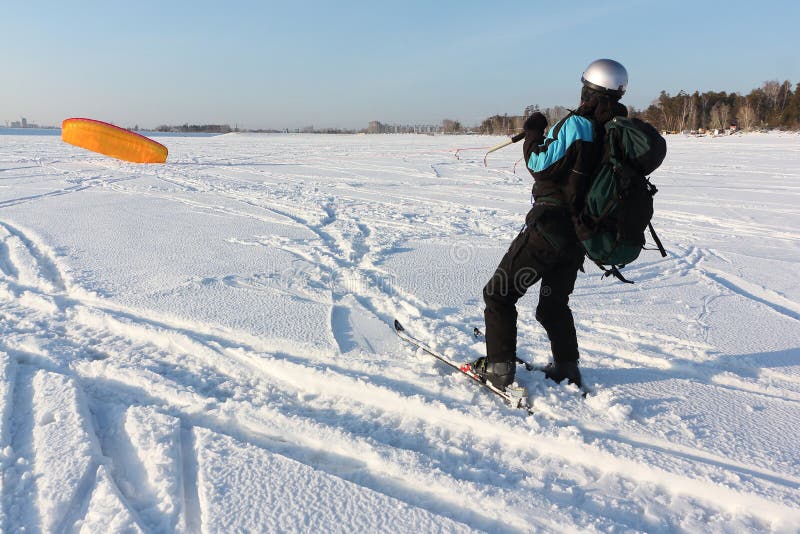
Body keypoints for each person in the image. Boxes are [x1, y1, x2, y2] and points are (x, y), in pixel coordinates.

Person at [471, 59, 630, 391]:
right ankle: (567, 369)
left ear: (588, 89)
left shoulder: (577, 125)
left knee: (498, 295)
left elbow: (540, 164)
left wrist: (533, 131)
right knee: (552, 304)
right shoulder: (616, 130)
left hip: (548, 232)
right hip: (580, 236)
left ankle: (499, 371)